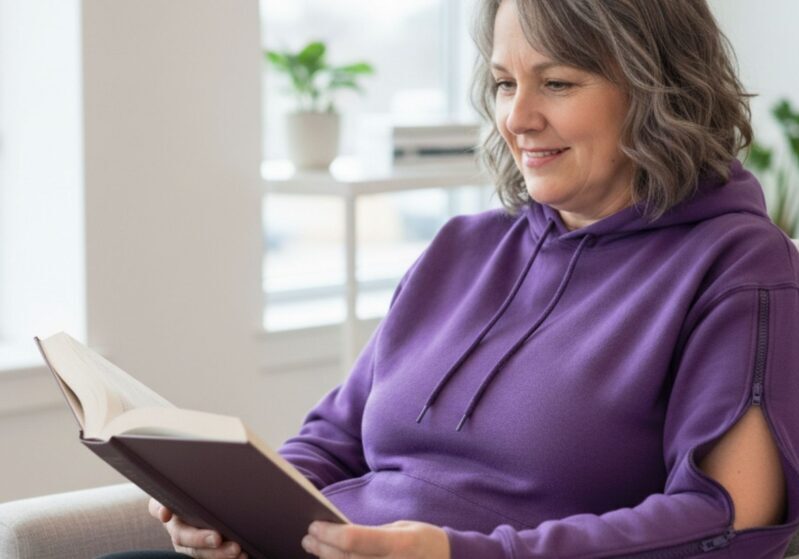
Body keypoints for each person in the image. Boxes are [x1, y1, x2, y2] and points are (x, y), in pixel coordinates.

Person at [102, 0, 799, 557]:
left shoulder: (736, 267)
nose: (517, 118)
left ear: (657, 87)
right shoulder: (461, 247)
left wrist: (455, 552)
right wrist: (236, 509)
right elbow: (333, 437)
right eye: (503, 82)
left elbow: (726, 520)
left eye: (555, 82)